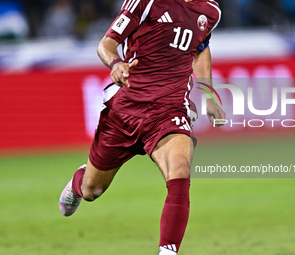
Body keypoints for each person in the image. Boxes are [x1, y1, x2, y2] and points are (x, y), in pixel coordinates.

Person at [59, 0, 225, 254]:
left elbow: (201, 48)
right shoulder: (147, 2)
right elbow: (106, 44)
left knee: (180, 169)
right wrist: (116, 64)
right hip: (126, 109)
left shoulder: (211, 11)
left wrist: (208, 95)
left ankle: (167, 252)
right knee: (93, 190)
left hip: (170, 110)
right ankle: (78, 184)